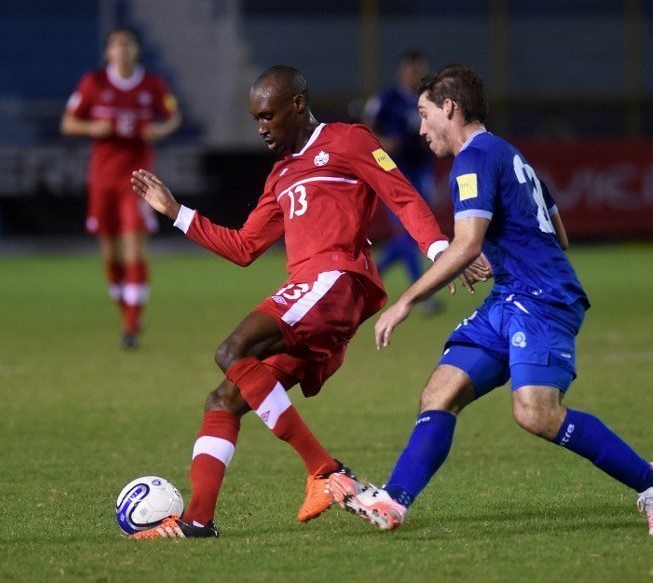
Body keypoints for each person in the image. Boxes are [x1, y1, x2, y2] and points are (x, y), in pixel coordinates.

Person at [329, 64, 653, 537]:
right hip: (512, 294)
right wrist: (506, 255)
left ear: (449, 107)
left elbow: (467, 243)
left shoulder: (472, 159)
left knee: (536, 413)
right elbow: (559, 234)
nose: (421, 127)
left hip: (542, 300)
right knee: (440, 392)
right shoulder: (512, 155)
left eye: (425, 113)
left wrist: (405, 301)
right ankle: (394, 501)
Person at [127, 65, 451, 539]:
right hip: (311, 300)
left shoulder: (348, 140)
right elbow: (243, 247)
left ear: (297, 105)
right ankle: (197, 520)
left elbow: (401, 198)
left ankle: (324, 470)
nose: (261, 127)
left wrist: (441, 251)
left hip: (336, 281)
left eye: (268, 116)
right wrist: (177, 212)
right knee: (223, 399)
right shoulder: (280, 174)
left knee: (230, 351)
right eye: (255, 118)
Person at [61, 26, 182, 349]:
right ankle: (127, 313)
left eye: (128, 44)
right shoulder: (94, 83)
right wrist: (92, 126)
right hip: (102, 180)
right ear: (108, 53)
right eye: (117, 45)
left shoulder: (153, 85)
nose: (123, 50)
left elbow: (173, 116)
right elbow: (68, 123)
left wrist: (159, 129)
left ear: (137, 50)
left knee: (134, 249)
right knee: (111, 255)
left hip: (137, 179)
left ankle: (130, 325)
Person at [364, 51, 442, 315]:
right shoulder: (386, 100)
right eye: (411, 70)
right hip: (393, 174)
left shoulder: (430, 101)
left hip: (422, 171)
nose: (414, 76)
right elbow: (366, 130)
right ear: (401, 72)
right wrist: (383, 143)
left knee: (412, 234)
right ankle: (422, 295)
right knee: (408, 233)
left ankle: (369, 275)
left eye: (419, 71)